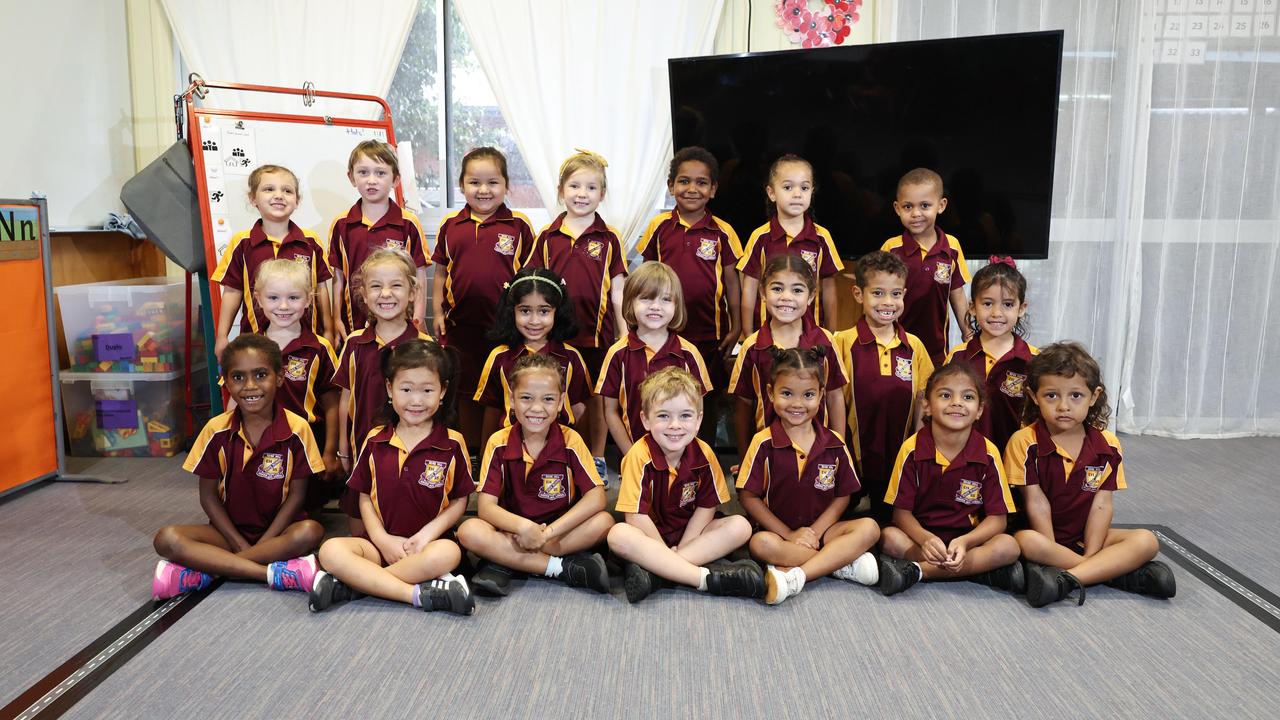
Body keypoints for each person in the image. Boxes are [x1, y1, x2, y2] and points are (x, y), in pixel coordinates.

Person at [151, 334, 324, 599]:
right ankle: (269, 573)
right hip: (227, 533)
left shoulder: (298, 428)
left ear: (279, 378)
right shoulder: (215, 429)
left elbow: (297, 497)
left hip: (278, 535)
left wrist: (267, 541)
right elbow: (207, 496)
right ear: (226, 382)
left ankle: (208, 571)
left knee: (310, 532)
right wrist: (237, 542)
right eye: (238, 377)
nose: (250, 386)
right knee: (166, 538)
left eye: (261, 374)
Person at [310, 340, 475, 615]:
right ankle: (416, 594)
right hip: (378, 546)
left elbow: (460, 501)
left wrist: (426, 535)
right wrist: (382, 539)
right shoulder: (375, 440)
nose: (416, 400)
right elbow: (364, 496)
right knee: (330, 550)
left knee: (449, 553)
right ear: (389, 389)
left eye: (427, 390)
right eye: (406, 389)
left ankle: (356, 585)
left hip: (426, 548)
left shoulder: (453, 443)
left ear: (443, 391)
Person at [1006, 342, 1175, 608]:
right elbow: (1036, 503)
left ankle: (1068, 578)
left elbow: (1101, 504)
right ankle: (1110, 572)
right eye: (1051, 396)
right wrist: (1053, 553)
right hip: (1043, 538)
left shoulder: (1108, 444)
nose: (1063, 406)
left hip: (1086, 536)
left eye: (1076, 396)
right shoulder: (1024, 442)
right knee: (1024, 541)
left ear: (1094, 396)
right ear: (1033, 396)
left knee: (1147, 540)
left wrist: (1092, 552)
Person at [458, 354, 615, 597]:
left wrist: (546, 534)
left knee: (605, 523)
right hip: (512, 532)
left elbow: (596, 498)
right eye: (526, 398)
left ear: (562, 401)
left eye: (549, 399)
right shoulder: (498, 442)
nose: (537, 408)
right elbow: (486, 509)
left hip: (557, 533)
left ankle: (506, 562)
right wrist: (523, 528)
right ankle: (561, 568)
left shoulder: (571, 440)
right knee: (470, 531)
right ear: (511, 399)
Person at [606, 367, 764, 603]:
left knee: (741, 526)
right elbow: (635, 517)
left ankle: (659, 574)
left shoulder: (704, 454)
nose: (675, 425)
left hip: (691, 537)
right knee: (618, 535)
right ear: (645, 420)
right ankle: (704, 579)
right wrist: (662, 551)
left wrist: (679, 551)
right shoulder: (638, 455)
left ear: (699, 420)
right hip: (649, 538)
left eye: (685, 416)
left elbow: (706, 507)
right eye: (663, 416)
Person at [737, 347, 881, 605]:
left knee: (870, 528)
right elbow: (748, 497)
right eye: (787, 393)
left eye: (808, 395)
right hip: (779, 534)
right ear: (770, 393)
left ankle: (797, 574)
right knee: (760, 544)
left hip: (824, 533)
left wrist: (814, 532)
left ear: (821, 396)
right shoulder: (762, 442)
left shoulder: (834, 443)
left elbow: (843, 497)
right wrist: (789, 534)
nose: (797, 404)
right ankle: (839, 563)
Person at [877, 362, 1023, 596]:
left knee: (1009, 547)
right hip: (923, 540)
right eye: (945, 395)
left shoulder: (988, 452)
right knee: (888, 538)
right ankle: (980, 571)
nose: (956, 403)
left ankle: (917, 572)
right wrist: (925, 539)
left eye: (967, 397)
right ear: (926, 405)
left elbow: (998, 520)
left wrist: (966, 542)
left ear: (979, 410)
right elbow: (900, 514)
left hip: (968, 541)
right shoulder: (911, 449)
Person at [525, 149, 627, 477]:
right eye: (574, 186)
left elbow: (618, 291)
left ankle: (596, 455)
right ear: (560, 190)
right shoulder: (546, 237)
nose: (582, 194)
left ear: (602, 194)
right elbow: (533, 285)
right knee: (560, 392)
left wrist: (624, 332)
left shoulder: (609, 238)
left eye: (591, 188)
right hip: (556, 335)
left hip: (597, 335)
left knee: (597, 397)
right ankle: (560, 449)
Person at [432, 146, 536, 450]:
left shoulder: (519, 225)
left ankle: (499, 450)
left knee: (500, 390)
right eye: (474, 182)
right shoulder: (451, 225)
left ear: (506, 185)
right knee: (465, 390)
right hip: (461, 327)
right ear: (462, 185)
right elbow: (440, 273)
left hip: (506, 329)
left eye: (493, 182)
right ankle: (471, 450)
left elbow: (529, 278)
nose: (483, 190)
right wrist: (438, 312)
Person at [333, 248, 433, 534]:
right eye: (376, 286)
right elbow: (346, 398)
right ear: (363, 294)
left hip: (410, 453)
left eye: (396, 285)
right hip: (362, 448)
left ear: (413, 292)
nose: (385, 294)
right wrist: (343, 449)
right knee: (360, 531)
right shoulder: (354, 344)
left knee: (406, 520)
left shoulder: (425, 346)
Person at [833, 251, 933, 524]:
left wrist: (918, 453)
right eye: (877, 293)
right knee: (843, 521)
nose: (887, 302)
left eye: (896, 294)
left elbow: (922, 404)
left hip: (896, 462)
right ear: (858, 294)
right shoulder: (842, 342)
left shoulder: (914, 346)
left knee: (890, 523)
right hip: (853, 461)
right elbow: (832, 404)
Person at [635, 146, 742, 389]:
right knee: (665, 390)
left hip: (711, 333)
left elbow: (733, 285)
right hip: (664, 328)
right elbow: (645, 279)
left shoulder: (723, 231)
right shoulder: (658, 226)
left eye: (701, 182)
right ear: (671, 186)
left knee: (708, 393)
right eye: (684, 181)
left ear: (713, 189)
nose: (692, 189)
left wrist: (736, 327)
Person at [729, 254, 846, 454]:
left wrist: (839, 448)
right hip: (767, 454)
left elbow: (835, 398)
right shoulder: (752, 346)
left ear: (810, 296)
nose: (786, 297)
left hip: (818, 454)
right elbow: (743, 407)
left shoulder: (826, 341)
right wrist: (744, 458)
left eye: (797, 290)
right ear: (763, 293)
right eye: (777, 288)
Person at [212, 164, 333, 358]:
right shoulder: (241, 244)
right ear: (253, 199)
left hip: (306, 345)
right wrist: (222, 337)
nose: (279, 195)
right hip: (254, 345)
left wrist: (328, 330)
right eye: (269, 189)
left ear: (297, 201)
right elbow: (232, 291)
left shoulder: (311, 242)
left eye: (287, 191)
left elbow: (320, 288)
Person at [252, 259, 343, 507]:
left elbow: (332, 404)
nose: (283, 306)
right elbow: (232, 401)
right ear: (258, 299)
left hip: (306, 442)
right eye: (273, 298)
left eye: (293, 298)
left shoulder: (319, 348)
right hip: (258, 440)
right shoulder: (247, 348)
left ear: (309, 300)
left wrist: (330, 450)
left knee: (305, 510)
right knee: (260, 506)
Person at [597, 261, 712, 456]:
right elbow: (610, 412)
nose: (656, 307)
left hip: (681, 457)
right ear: (630, 302)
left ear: (677, 305)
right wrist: (633, 455)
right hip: (633, 455)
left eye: (666, 299)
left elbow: (697, 409)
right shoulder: (617, 354)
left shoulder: (689, 354)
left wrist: (681, 451)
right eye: (646, 299)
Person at [474, 268, 591, 445]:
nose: (534, 321)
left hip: (560, 447)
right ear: (511, 311)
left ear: (556, 312)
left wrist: (584, 455)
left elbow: (579, 409)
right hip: (510, 447)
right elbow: (493, 410)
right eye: (525, 311)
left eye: (543, 311)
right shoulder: (499, 357)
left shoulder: (571, 357)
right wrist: (485, 457)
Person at [328, 140, 431, 338]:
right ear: (351, 177)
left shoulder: (408, 223)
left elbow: (419, 274)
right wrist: (336, 319)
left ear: (395, 179)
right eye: (363, 172)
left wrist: (418, 318)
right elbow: (338, 276)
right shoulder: (341, 224)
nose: (371, 180)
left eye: (381, 173)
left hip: (401, 321)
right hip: (354, 323)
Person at [738, 153, 843, 334]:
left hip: (810, 338)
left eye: (804, 188)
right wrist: (748, 335)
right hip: (767, 336)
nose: (797, 194)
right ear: (771, 193)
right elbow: (749, 289)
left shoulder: (822, 237)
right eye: (787, 187)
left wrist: (830, 334)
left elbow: (828, 289)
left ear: (812, 191)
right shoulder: (760, 237)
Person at [945, 256, 1037, 455]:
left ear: (1021, 308)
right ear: (972, 307)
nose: (997, 313)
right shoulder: (958, 357)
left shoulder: (1035, 361)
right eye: (987, 303)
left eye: (1008, 304)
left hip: (1014, 463)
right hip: (964, 461)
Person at [881, 167, 970, 364]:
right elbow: (877, 293)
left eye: (925, 205)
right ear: (897, 208)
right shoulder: (891, 248)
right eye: (907, 207)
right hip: (895, 343)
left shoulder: (952, 247)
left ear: (941, 205)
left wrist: (968, 332)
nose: (916, 213)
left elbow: (956, 294)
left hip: (936, 350)